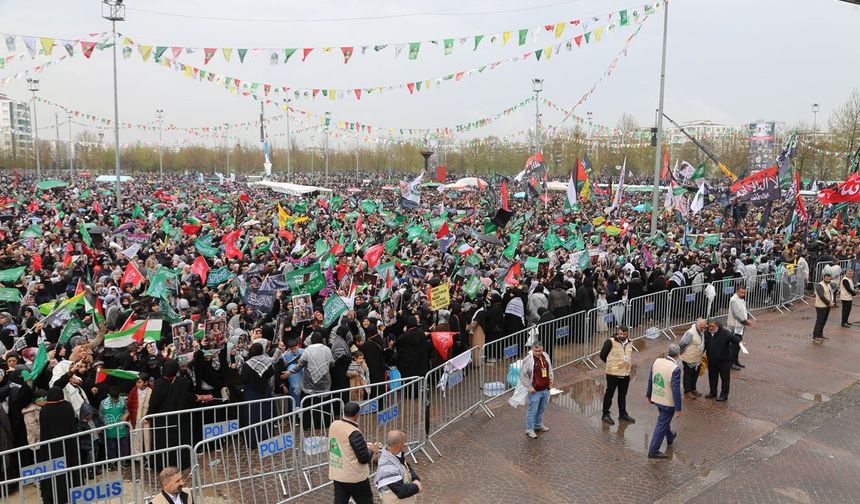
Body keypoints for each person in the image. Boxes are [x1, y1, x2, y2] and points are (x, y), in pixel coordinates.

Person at [328, 401, 378, 504]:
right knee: (365, 501)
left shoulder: (334, 424)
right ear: (357, 414)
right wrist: (371, 450)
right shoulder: (354, 432)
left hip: (338, 473)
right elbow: (363, 458)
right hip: (355, 476)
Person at [646, 343, 683, 459]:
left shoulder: (657, 361)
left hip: (657, 397)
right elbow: (676, 389)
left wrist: (649, 394)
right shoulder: (675, 369)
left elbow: (651, 378)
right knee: (661, 424)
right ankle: (653, 450)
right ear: (678, 354)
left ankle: (670, 437)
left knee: (663, 420)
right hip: (667, 401)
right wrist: (678, 408)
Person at [598, 326, 636, 425]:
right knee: (609, 394)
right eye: (620, 334)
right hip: (613, 374)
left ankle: (622, 414)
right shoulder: (610, 342)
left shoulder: (630, 342)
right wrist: (611, 364)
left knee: (622, 395)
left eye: (624, 334)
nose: (622, 336)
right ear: (617, 333)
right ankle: (605, 414)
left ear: (627, 333)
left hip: (625, 373)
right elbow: (602, 355)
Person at [374, 430, 423, 503]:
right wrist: (416, 487)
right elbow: (401, 492)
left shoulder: (394, 454)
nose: (405, 443)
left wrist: (415, 478)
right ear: (399, 444)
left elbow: (406, 466)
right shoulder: (388, 467)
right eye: (404, 441)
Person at [518, 340, 553, 439]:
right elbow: (523, 375)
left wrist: (551, 380)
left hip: (545, 389)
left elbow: (549, 368)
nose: (538, 353)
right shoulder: (528, 359)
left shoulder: (545, 356)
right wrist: (529, 387)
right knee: (532, 410)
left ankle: (538, 425)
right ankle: (529, 429)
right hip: (535, 390)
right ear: (532, 350)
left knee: (541, 409)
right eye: (536, 351)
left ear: (543, 349)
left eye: (540, 350)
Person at [703, 319, 740, 402]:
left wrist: (740, 342)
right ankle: (713, 392)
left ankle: (724, 395)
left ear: (718, 326)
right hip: (712, 360)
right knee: (712, 377)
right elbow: (705, 345)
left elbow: (734, 338)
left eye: (713, 326)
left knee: (725, 378)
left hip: (724, 361)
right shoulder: (706, 333)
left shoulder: (725, 333)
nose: (711, 328)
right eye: (710, 326)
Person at [726, 286, 753, 370]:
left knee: (738, 345)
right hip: (734, 326)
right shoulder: (734, 300)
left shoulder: (741, 299)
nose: (743, 294)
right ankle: (731, 362)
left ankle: (735, 360)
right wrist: (745, 321)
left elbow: (744, 310)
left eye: (744, 293)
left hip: (740, 326)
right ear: (737, 291)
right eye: (741, 292)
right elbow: (736, 314)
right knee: (734, 346)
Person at [678, 319, 706, 399]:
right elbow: (682, 344)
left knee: (695, 374)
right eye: (702, 327)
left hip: (697, 359)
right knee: (688, 375)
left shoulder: (701, 332)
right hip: (688, 358)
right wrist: (682, 353)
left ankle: (693, 389)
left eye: (704, 327)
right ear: (697, 325)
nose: (703, 329)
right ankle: (687, 391)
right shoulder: (690, 333)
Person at [813, 272, 835, 343]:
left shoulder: (828, 285)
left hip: (826, 306)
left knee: (824, 321)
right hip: (821, 306)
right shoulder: (820, 285)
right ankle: (815, 336)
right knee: (819, 321)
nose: (828, 280)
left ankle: (820, 334)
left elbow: (831, 293)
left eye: (829, 279)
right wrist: (829, 303)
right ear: (823, 278)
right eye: (827, 278)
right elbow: (821, 296)